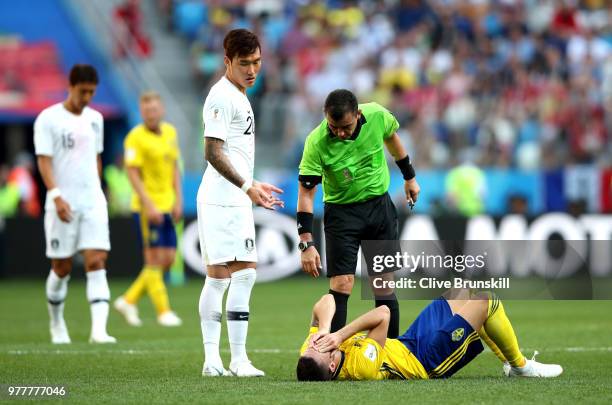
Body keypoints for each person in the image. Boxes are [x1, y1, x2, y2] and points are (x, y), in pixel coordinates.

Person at [297, 89, 420, 339]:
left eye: (346, 127)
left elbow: (392, 139)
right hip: (341, 215)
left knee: (383, 284)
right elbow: (307, 193)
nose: (340, 133)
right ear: (325, 117)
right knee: (342, 284)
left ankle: (388, 356)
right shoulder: (316, 141)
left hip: (379, 209)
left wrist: (409, 178)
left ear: (358, 114)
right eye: (334, 126)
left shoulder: (377, 115)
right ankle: (332, 356)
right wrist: (306, 242)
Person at [197, 28, 284, 377]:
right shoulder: (221, 96)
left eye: (258, 62)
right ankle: (216, 359)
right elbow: (212, 151)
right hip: (221, 200)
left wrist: (252, 181)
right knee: (223, 277)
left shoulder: (240, 94)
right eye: (245, 63)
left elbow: (232, 151)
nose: (252, 70)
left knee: (240, 275)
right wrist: (247, 186)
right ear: (227, 62)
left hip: (236, 197)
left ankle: (233, 360)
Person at [296, 291, 563, 381]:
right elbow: (383, 314)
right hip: (425, 361)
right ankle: (520, 366)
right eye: (320, 346)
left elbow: (327, 299)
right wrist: (339, 333)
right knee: (485, 302)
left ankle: (507, 363)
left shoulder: (311, 354)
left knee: (462, 289)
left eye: (312, 344)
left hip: (407, 344)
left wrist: (322, 330)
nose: (317, 343)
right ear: (332, 365)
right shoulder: (361, 367)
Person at [34, 64, 116, 344]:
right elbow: (44, 161)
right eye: (83, 91)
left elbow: (96, 157)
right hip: (62, 202)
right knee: (62, 267)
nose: (87, 97)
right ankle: (57, 324)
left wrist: (98, 190)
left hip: (92, 201)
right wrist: (55, 194)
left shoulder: (95, 119)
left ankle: (99, 331)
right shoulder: (48, 119)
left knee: (96, 260)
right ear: (70, 87)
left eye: (92, 92)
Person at [114, 91, 183, 327]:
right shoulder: (135, 137)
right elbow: (132, 174)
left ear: (161, 110)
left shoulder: (170, 132)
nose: (151, 114)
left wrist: (178, 199)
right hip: (147, 207)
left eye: (154, 109)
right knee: (153, 260)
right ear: (141, 113)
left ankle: (128, 299)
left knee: (168, 259)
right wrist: (149, 205)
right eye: (146, 111)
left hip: (168, 203)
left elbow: (174, 167)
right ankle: (164, 311)